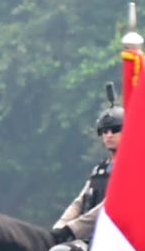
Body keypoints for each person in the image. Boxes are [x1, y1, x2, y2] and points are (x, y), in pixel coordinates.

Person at [51, 104, 122, 243]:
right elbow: (79, 202)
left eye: (115, 129)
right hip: (93, 240)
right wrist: (59, 228)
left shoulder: (132, 169)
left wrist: (72, 229)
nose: (109, 135)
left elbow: (110, 205)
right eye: (104, 131)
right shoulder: (99, 170)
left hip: (120, 242)